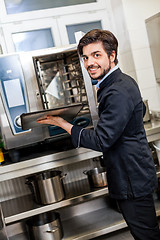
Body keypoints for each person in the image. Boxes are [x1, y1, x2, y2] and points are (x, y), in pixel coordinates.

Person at [37, 29, 160, 239]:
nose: (89, 63)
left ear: (112, 56)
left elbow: (102, 140)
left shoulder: (117, 90)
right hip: (133, 171)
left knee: (146, 235)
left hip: (131, 176)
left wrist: (63, 124)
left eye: (96, 55)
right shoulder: (115, 83)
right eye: (85, 57)